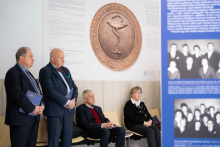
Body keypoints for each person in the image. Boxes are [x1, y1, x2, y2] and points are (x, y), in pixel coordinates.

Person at [4, 47, 44, 147]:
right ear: (21, 58)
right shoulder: (12, 72)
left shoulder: (28, 73)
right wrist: (33, 108)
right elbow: (17, 94)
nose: (33, 59)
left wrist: (41, 105)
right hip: (20, 120)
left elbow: (37, 92)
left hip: (33, 118)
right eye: (31, 56)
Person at [39, 48, 78, 147]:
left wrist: (73, 102)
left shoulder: (65, 70)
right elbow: (50, 90)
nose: (63, 60)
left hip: (69, 111)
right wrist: (66, 102)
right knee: (54, 140)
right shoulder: (45, 71)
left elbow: (74, 87)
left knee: (67, 140)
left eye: (63, 57)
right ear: (52, 59)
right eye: (60, 57)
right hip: (55, 111)